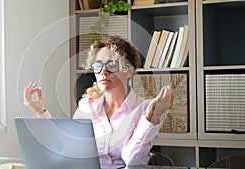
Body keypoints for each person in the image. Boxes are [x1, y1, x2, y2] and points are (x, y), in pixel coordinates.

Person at [23, 35, 174, 167]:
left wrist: (150, 118)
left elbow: (132, 160)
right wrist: (40, 112)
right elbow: (68, 148)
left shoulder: (145, 109)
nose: (103, 71)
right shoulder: (87, 106)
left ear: (129, 70)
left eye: (112, 65)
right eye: (98, 66)